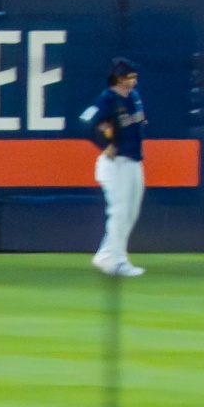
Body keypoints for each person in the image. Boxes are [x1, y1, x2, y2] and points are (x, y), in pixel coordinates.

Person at [81, 59, 148, 278]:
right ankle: (117, 261)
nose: (134, 81)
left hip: (134, 161)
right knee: (119, 212)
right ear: (119, 79)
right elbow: (87, 121)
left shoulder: (133, 97)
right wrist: (104, 144)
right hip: (114, 164)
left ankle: (105, 255)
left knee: (130, 212)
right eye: (130, 77)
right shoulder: (107, 98)